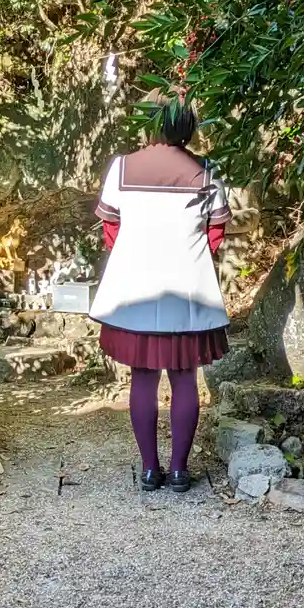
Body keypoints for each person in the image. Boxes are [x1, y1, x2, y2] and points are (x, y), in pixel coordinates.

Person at [89, 95, 230, 492]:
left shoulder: (122, 168)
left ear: (149, 123)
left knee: (143, 379)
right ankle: (180, 470)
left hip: (136, 293)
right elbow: (215, 232)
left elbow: (111, 230)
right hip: (189, 294)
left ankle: (151, 470)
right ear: (188, 126)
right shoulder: (207, 170)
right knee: (185, 379)